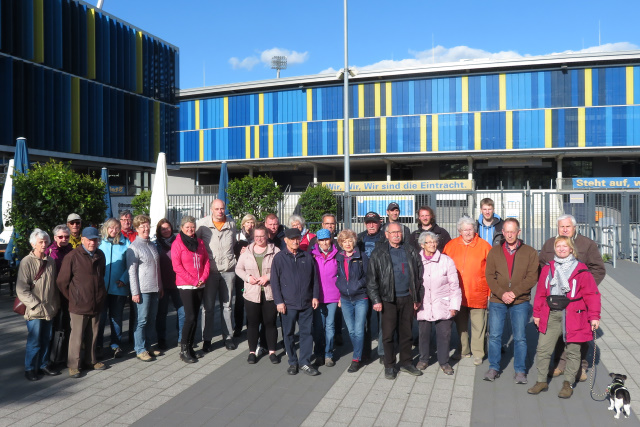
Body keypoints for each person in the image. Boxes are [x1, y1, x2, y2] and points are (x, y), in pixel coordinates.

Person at [527, 236, 601, 399]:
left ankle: (568, 383)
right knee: (543, 349)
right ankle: (541, 381)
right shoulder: (548, 268)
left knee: (573, 351)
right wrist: (537, 314)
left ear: (571, 249)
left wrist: (594, 316)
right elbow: (540, 292)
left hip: (574, 314)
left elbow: (592, 294)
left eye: (564, 246)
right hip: (551, 313)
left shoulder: (581, 269)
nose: (561, 249)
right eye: (558, 246)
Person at [539, 213, 605, 382]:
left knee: (578, 336)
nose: (565, 229)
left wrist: (585, 287)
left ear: (574, 228)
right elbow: (542, 265)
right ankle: (559, 364)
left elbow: (598, 268)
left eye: (568, 226)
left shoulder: (587, 244)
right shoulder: (549, 243)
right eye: (562, 226)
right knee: (558, 335)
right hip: (555, 301)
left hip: (577, 301)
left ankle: (580, 367)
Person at [484, 218, 538, 383]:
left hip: (520, 301)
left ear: (518, 232)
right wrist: (502, 293)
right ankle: (494, 367)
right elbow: (489, 276)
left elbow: (532, 277)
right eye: (506, 232)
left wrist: (514, 293)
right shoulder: (494, 251)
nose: (509, 235)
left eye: (512, 231)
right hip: (498, 300)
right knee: (494, 335)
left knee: (520, 337)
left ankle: (520, 371)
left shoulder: (530, 252)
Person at [367, 222, 424, 380]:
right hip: (388, 299)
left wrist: (417, 297)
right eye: (393, 233)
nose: (396, 235)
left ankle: (406, 362)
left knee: (406, 334)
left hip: (407, 297)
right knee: (388, 334)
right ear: (387, 235)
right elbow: (372, 279)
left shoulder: (410, 250)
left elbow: (419, 275)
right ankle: (390, 365)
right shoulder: (379, 253)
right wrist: (376, 300)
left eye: (398, 232)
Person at [57, 227, 107, 378]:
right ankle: (73, 365)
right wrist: (72, 298)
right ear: (83, 240)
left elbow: (101, 275)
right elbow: (61, 282)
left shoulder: (100, 255)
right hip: (78, 304)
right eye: (89, 240)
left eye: (95, 240)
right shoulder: (72, 256)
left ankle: (90, 360)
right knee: (77, 336)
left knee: (93, 334)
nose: (92, 242)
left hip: (96, 302)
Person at [271, 228, 320, 376]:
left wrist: (315, 296)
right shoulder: (279, 258)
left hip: (306, 303)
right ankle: (293, 362)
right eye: (292, 239)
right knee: (288, 333)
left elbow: (315, 280)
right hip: (288, 304)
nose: (295, 241)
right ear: (285, 240)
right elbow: (275, 282)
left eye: (297, 238)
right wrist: (279, 301)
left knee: (307, 333)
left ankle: (304, 362)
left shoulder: (307, 256)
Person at [443, 216, 492, 366]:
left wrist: (490, 292)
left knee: (478, 325)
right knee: (461, 325)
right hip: (457, 294)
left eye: (470, 229)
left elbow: (491, 271)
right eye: (465, 229)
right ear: (460, 231)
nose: (468, 232)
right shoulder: (451, 246)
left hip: (478, 292)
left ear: (474, 230)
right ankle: (463, 350)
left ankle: (478, 353)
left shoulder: (484, 246)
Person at [17, 229, 60, 381]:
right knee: (34, 341)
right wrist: (35, 305)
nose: (44, 245)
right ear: (33, 244)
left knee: (46, 338)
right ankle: (29, 368)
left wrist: (55, 305)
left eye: (46, 242)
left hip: (49, 308)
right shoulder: (26, 262)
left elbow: (53, 286)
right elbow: (21, 289)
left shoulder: (50, 261)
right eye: (40, 242)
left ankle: (43, 365)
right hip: (34, 309)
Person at [415, 231, 461, 375]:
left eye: (434, 241)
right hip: (423, 303)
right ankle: (423, 359)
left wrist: (454, 305)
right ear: (422, 245)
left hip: (443, 303)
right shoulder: (416, 260)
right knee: (423, 334)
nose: (433, 244)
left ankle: (444, 362)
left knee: (444, 334)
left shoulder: (446, 261)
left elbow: (455, 286)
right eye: (429, 242)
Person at [196, 199, 238, 352]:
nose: (220, 211)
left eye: (222, 208)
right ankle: (207, 339)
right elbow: (197, 245)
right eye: (217, 209)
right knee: (208, 308)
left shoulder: (231, 224)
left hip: (228, 270)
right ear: (211, 209)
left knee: (227, 306)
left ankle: (228, 337)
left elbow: (233, 244)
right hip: (210, 272)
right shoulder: (202, 225)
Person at [235, 225, 280, 364]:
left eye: (262, 236)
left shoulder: (275, 251)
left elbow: (280, 270)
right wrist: (248, 278)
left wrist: (267, 277)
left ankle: (272, 351)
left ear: (267, 236)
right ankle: (252, 352)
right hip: (251, 293)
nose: (259, 239)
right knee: (253, 324)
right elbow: (238, 268)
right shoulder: (247, 251)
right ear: (253, 237)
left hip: (269, 293)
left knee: (270, 323)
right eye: (257, 236)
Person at [171, 216, 210, 363]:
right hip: (186, 284)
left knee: (195, 317)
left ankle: (191, 347)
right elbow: (177, 267)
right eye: (187, 227)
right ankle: (184, 349)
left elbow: (206, 260)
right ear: (181, 228)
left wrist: (203, 278)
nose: (190, 229)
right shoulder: (177, 244)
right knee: (190, 317)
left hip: (200, 284)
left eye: (192, 227)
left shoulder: (199, 242)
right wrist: (193, 280)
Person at [127, 215, 163, 362]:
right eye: (142, 226)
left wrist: (160, 286)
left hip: (154, 288)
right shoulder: (134, 247)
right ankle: (140, 349)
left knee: (151, 319)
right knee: (141, 320)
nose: (146, 228)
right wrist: (135, 292)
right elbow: (131, 271)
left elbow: (157, 268)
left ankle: (148, 345)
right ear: (136, 229)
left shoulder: (152, 245)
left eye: (147, 225)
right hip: (142, 290)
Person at [335, 229, 369, 373]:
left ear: (354, 242)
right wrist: (339, 295)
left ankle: (356, 358)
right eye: (344, 241)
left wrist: (358, 285)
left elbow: (369, 276)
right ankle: (359, 353)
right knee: (351, 330)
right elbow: (337, 276)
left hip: (361, 297)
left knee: (359, 330)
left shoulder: (362, 257)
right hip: (345, 299)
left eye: (350, 241)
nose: (347, 244)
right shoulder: (339, 257)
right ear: (341, 243)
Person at [96, 218, 130, 360]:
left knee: (116, 318)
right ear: (105, 228)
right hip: (101, 288)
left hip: (118, 287)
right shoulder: (99, 242)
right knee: (101, 318)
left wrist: (124, 279)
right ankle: (98, 346)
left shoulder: (126, 243)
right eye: (110, 228)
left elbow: (131, 265)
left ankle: (115, 344)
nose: (113, 230)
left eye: (116, 228)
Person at [356, 211, 385, 363]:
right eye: (368, 222)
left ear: (379, 222)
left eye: (374, 222)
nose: (371, 225)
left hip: (381, 284)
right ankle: (365, 351)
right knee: (364, 321)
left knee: (383, 320)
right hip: (363, 285)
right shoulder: (359, 238)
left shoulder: (384, 237)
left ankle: (382, 352)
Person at [310, 228, 340, 367]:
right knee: (318, 327)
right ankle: (319, 354)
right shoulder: (312, 255)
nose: (324, 242)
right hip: (317, 297)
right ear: (318, 241)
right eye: (321, 240)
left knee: (330, 326)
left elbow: (341, 276)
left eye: (327, 239)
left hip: (333, 296)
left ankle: (329, 354)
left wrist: (341, 297)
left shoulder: (337, 254)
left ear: (331, 239)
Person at [156, 218, 185, 350]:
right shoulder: (156, 244)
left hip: (178, 283)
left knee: (182, 312)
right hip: (162, 284)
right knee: (161, 314)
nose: (166, 230)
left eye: (168, 228)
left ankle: (181, 338)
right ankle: (161, 339)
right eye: (163, 228)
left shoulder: (179, 242)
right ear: (159, 230)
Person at [233, 214, 256, 337]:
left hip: (253, 272)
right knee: (240, 300)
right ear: (243, 224)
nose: (250, 225)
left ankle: (250, 326)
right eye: (248, 223)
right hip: (241, 274)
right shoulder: (237, 236)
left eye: (252, 223)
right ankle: (238, 326)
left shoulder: (256, 237)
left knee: (251, 301)